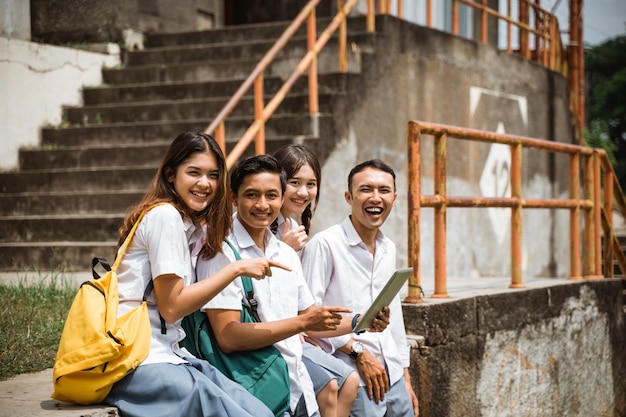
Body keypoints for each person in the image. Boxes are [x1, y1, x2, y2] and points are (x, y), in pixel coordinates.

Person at [104, 132, 286, 417]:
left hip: (172, 354)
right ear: (170, 175)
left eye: (213, 175)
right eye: (194, 172)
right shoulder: (165, 217)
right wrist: (235, 269)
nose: (205, 183)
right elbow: (173, 306)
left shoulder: (186, 225)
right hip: (139, 360)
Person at [196, 154, 353, 417]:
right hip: (254, 393)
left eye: (271, 195)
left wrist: (361, 321)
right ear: (233, 197)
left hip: (297, 385)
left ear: (282, 199)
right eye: (251, 195)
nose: (262, 204)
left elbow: (312, 318)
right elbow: (228, 337)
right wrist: (301, 324)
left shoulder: (285, 253)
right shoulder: (220, 253)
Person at [300, 159, 420, 417]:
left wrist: (406, 378)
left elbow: (394, 317)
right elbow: (307, 319)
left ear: (395, 198)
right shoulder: (324, 245)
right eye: (366, 189)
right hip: (353, 379)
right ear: (348, 196)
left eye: (384, 190)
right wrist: (358, 351)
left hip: (394, 377)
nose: (375, 197)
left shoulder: (389, 248)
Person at [272, 144, 361, 417]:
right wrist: (282, 249)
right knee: (332, 385)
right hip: (273, 335)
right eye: (295, 182)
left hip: (295, 331)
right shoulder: (273, 229)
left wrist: (359, 323)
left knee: (349, 380)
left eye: (311, 184)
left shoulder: (289, 226)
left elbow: (303, 305)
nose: (303, 192)